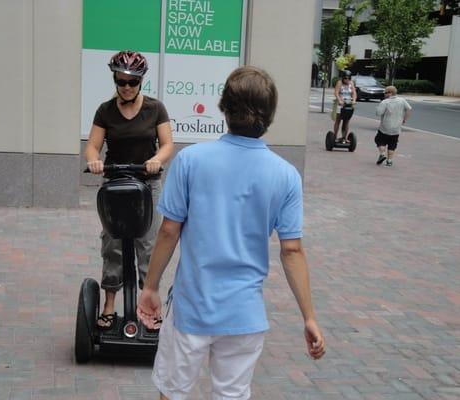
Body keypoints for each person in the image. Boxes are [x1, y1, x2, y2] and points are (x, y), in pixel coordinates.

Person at [137, 66, 325, 400]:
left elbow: (168, 231)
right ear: (269, 115)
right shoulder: (286, 175)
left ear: (224, 107)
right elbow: (292, 251)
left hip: (191, 308)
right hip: (244, 315)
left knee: (173, 393)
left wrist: (150, 286)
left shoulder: (191, 160)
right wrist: (308, 317)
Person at [84, 50, 173, 329]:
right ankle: (110, 303)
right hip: (114, 182)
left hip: (147, 183)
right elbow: (92, 145)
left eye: (132, 82)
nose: (126, 87)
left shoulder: (155, 108)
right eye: (121, 81)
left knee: (147, 245)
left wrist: (156, 160)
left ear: (140, 82)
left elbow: (168, 144)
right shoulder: (105, 110)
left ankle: (147, 303)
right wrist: (94, 161)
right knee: (112, 244)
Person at [375, 85, 412, 167]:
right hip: (397, 127)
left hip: (385, 126)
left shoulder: (385, 102)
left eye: (385, 93)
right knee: (393, 143)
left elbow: (378, 113)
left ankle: (382, 154)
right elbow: (409, 109)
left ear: (390, 93)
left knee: (379, 140)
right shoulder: (402, 100)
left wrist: (378, 108)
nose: (384, 94)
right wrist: (404, 119)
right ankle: (389, 160)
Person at [332, 70, 357, 143]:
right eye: (345, 78)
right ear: (343, 78)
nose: (347, 80)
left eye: (349, 78)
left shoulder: (351, 83)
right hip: (341, 104)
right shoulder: (339, 83)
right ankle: (335, 136)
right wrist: (339, 100)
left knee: (347, 121)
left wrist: (354, 100)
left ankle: (344, 137)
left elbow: (354, 93)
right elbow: (336, 93)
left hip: (349, 103)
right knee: (338, 120)